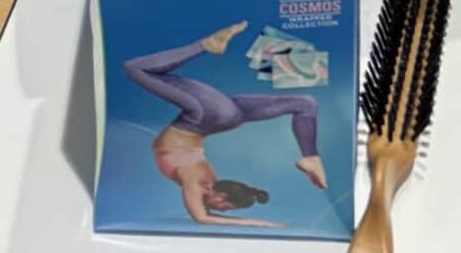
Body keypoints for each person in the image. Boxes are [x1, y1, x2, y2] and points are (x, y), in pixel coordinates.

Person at [125, 24, 325, 224]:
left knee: (305, 103)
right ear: (220, 196)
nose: (224, 211)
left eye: (227, 211)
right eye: (227, 208)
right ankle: (204, 45)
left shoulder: (199, 182)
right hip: (207, 116)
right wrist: (251, 222)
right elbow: (202, 217)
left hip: (223, 117)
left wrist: (248, 220)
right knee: (134, 69)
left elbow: (203, 216)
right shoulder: (197, 182)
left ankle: (311, 157)